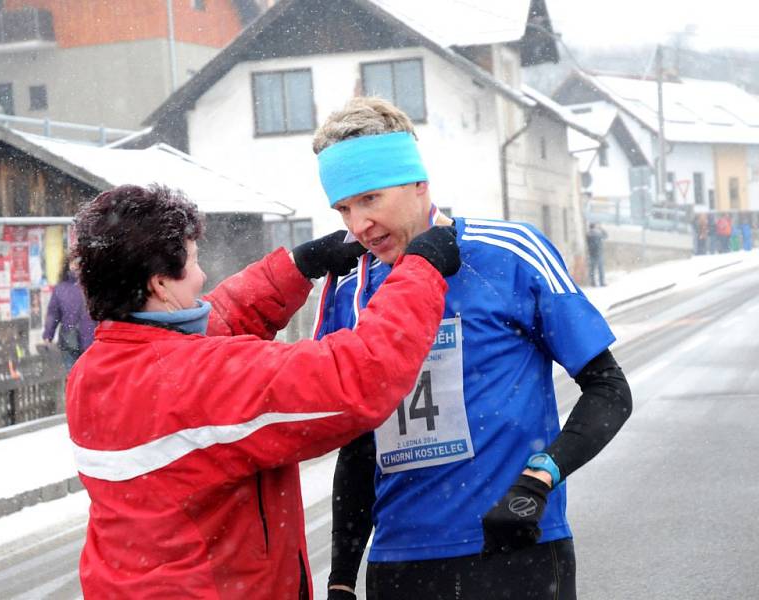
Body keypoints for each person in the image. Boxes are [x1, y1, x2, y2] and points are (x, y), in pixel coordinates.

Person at [66, 183, 460, 599]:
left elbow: (197, 341)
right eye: (195, 261)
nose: (202, 276)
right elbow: (361, 374)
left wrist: (295, 267)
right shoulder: (193, 382)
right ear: (161, 285)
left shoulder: (95, 373)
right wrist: (420, 271)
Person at [313, 98, 632, 600]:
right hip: (400, 564)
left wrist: (539, 480)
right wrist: (340, 578)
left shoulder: (508, 253)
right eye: (344, 208)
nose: (358, 226)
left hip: (515, 548)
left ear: (419, 184)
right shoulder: (350, 290)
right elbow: (359, 445)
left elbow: (609, 390)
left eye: (370, 199)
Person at [41, 257, 97, 370]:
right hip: (70, 341)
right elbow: (53, 313)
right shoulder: (61, 288)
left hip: (91, 341)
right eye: (74, 262)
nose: (76, 266)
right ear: (68, 264)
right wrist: (48, 335)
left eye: (80, 262)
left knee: (87, 377)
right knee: (73, 376)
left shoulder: (94, 285)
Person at [586, 222, 608, 287]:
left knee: (592, 270)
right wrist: (601, 228)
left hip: (591, 254)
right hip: (599, 253)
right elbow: (606, 236)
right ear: (594, 227)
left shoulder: (588, 235)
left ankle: (593, 283)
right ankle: (602, 282)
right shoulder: (598, 234)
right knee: (600, 269)